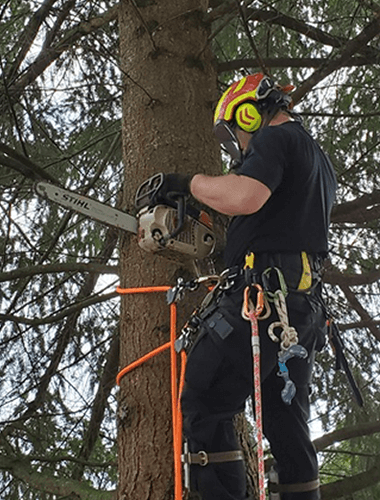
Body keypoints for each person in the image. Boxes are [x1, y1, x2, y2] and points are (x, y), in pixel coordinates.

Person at [155, 73, 337, 500]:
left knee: (204, 403)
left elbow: (245, 197)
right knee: (285, 423)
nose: (237, 143)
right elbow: (270, 220)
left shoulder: (276, 139)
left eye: (235, 129)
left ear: (249, 111)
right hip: (301, 312)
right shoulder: (317, 160)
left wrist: (188, 184)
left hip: (262, 303)